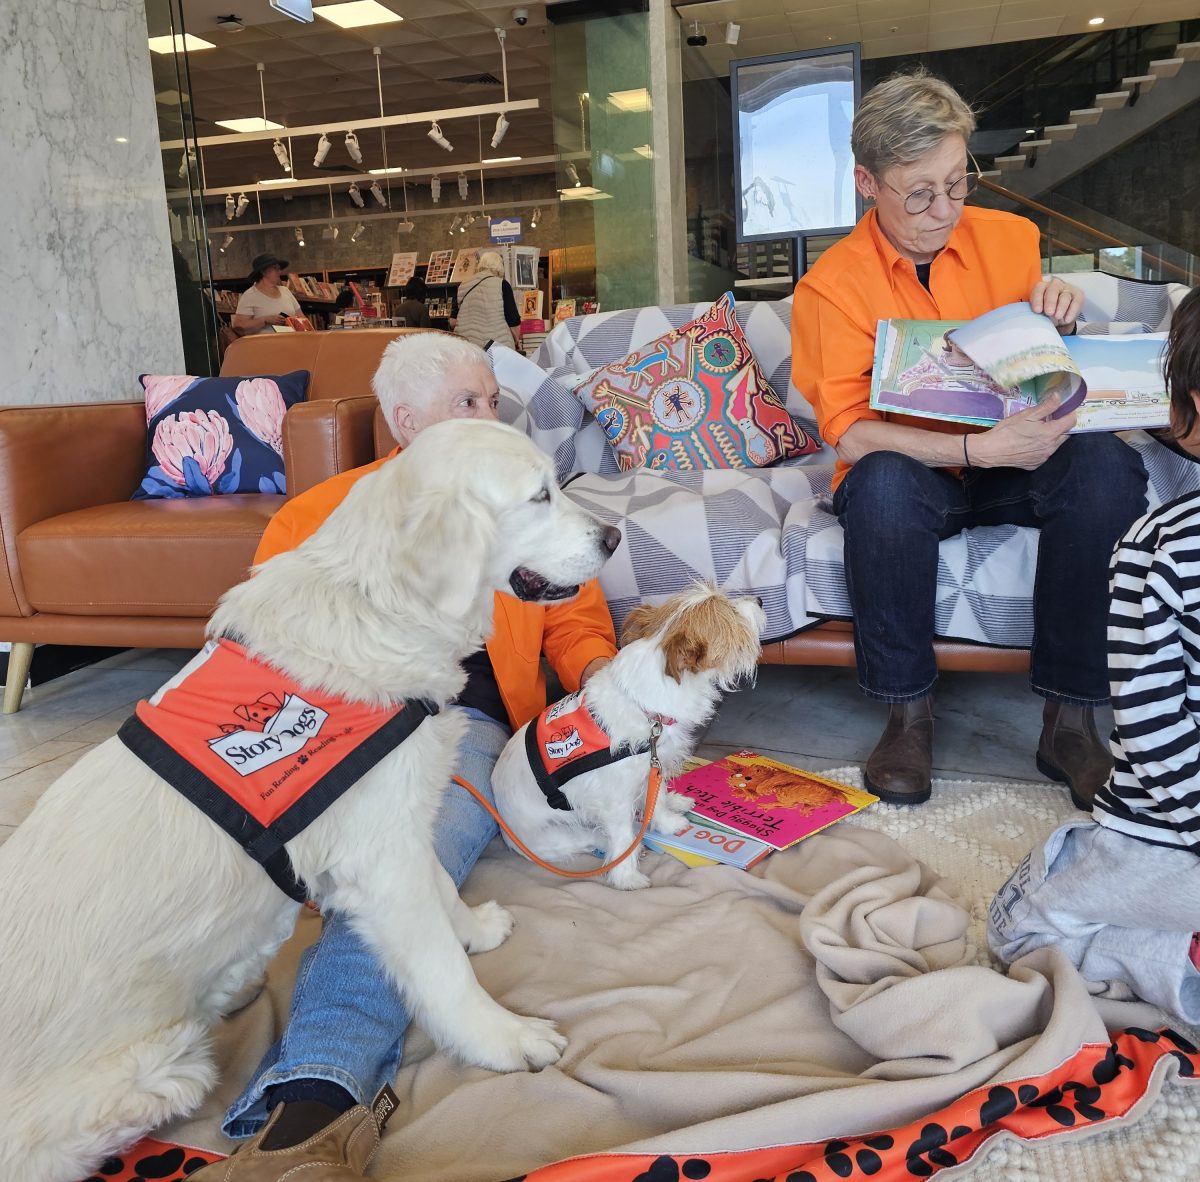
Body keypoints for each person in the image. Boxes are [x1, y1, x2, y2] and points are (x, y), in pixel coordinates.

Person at [191, 332, 618, 1181]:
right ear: (404, 423)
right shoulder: (313, 519)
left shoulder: (521, 504)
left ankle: (317, 1088)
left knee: (413, 857)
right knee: (394, 873)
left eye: (493, 400)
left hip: (482, 717)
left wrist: (601, 687)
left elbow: (575, 615)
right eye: (468, 404)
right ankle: (316, 1099)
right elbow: (275, 674)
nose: (489, 417)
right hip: (367, 736)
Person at [790, 69, 1148, 808]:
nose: (944, 209)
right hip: (919, 471)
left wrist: (1059, 311)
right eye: (919, 192)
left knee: (1107, 466)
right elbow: (851, 432)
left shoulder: (1012, 239)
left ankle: (1071, 720)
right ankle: (907, 713)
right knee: (883, 483)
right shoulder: (830, 287)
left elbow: (1035, 364)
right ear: (866, 182)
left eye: (958, 183)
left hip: (1012, 460)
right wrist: (974, 452)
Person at [988, 287, 1200, 1025]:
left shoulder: (1154, 548)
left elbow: (1149, 726)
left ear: (1182, 408)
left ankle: (1169, 959)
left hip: (1174, 836)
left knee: (1020, 932)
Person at [453, 250, 522, 351]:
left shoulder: (463, 285)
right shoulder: (502, 284)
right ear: (499, 268)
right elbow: (513, 320)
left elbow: (452, 321)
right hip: (495, 346)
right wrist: (517, 340)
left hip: (467, 347)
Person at [233, 253, 302, 335]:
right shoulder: (250, 296)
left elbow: (301, 316)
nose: (279, 272)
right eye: (275, 268)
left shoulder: (285, 291)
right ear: (263, 271)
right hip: (265, 345)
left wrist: (293, 322)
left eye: (279, 269)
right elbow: (239, 327)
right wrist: (265, 320)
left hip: (292, 342)